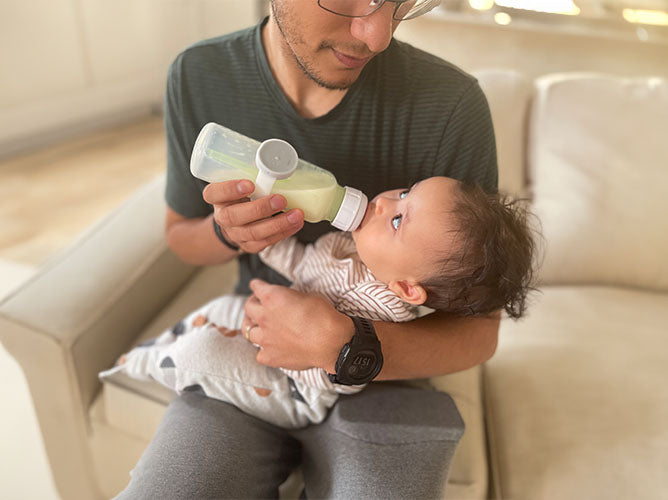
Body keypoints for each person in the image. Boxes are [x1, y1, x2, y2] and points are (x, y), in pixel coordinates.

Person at [117, 0, 502, 497]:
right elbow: (180, 237)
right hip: (254, 345)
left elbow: (480, 333)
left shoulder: (451, 105)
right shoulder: (200, 75)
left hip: (388, 378)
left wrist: (349, 345)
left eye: (402, 2)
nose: (378, 35)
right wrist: (228, 234)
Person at [102, 177, 535, 428]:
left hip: (293, 387)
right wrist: (261, 236)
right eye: (405, 193)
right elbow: (298, 263)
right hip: (266, 334)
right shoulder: (344, 245)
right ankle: (160, 345)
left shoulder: (382, 308)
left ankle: (137, 365)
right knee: (220, 309)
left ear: (406, 289)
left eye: (399, 220)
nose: (385, 202)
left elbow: (338, 375)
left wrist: (321, 342)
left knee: (203, 350)